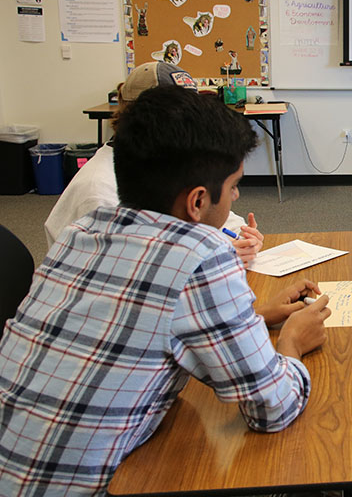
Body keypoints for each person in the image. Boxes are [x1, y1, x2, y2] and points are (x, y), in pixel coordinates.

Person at [0, 85, 331, 495]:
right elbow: (272, 408)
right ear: (197, 201)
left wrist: (257, 317)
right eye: (233, 187)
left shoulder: (82, 231)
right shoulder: (201, 254)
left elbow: (142, 320)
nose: (236, 195)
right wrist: (293, 344)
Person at [44, 61, 264, 265]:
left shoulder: (167, 161)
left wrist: (242, 236)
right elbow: (127, 269)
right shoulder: (98, 190)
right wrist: (219, 254)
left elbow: (206, 212)